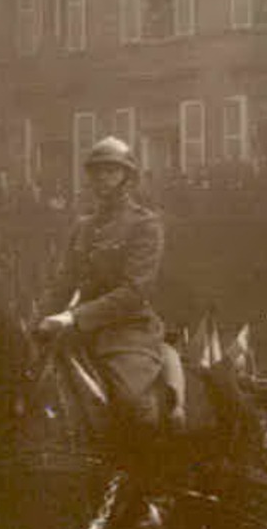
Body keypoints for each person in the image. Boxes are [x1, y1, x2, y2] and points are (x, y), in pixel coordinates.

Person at [36, 136, 168, 463]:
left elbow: (135, 292)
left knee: (134, 404)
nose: (102, 179)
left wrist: (73, 317)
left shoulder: (145, 224)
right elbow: (62, 284)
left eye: (111, 172)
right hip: (79, 333)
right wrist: (38, 319)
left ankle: (142, 482)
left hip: (127, 331)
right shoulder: (82, 227)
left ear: (127, 177)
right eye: (97, 172)